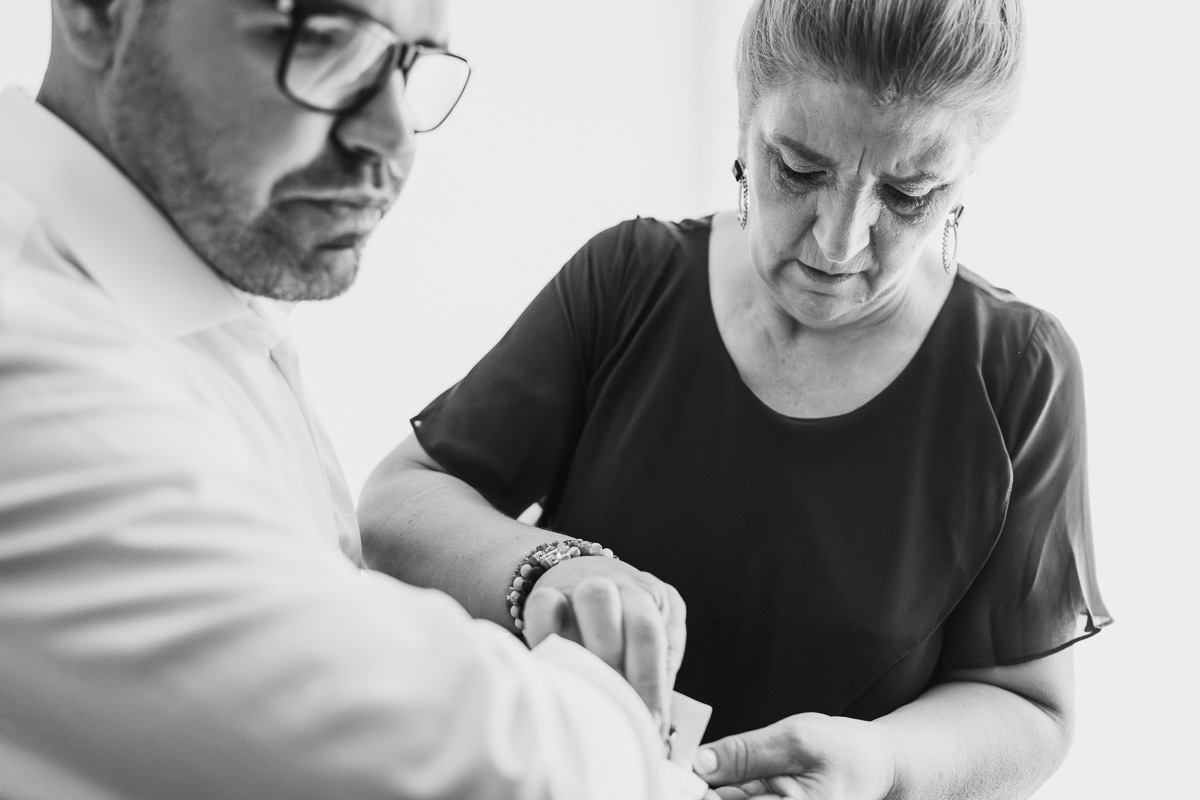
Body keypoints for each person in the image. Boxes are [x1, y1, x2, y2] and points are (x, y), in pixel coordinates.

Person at [358, 0, 1113, 797]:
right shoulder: (630, 280)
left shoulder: (1018, 372)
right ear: (745, 128)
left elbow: (1029, 706)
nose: (839, 243)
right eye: (800, 170)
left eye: (907, 193)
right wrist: (546, 570)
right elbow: (397, 503)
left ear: (966, 177)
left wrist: (882, 762)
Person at [0, 1, 705, 797]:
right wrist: (639, 731)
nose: (395, 138)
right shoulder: (26, 353)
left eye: (409, 64)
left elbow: (307, 610)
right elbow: (479, 765)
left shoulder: (204, 309)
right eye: (326, 44)